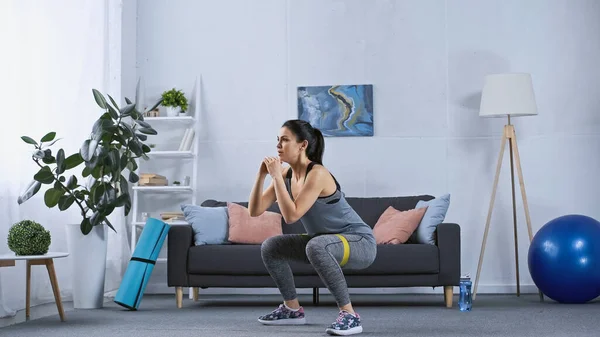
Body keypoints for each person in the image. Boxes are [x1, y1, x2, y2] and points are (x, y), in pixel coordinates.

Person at [248, 119, 377, 336]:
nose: (278, 145)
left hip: (359, 242)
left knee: (316, 245)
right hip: (325, 242)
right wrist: (261, 176)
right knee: (271, 246)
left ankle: (350, 315)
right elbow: (254, 210)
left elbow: (290, 216)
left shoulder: (317, 173)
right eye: (277, 140)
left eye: (285, 140)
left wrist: (276, 176)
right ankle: (292, 309)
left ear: (303, 145)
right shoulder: (287, 175)